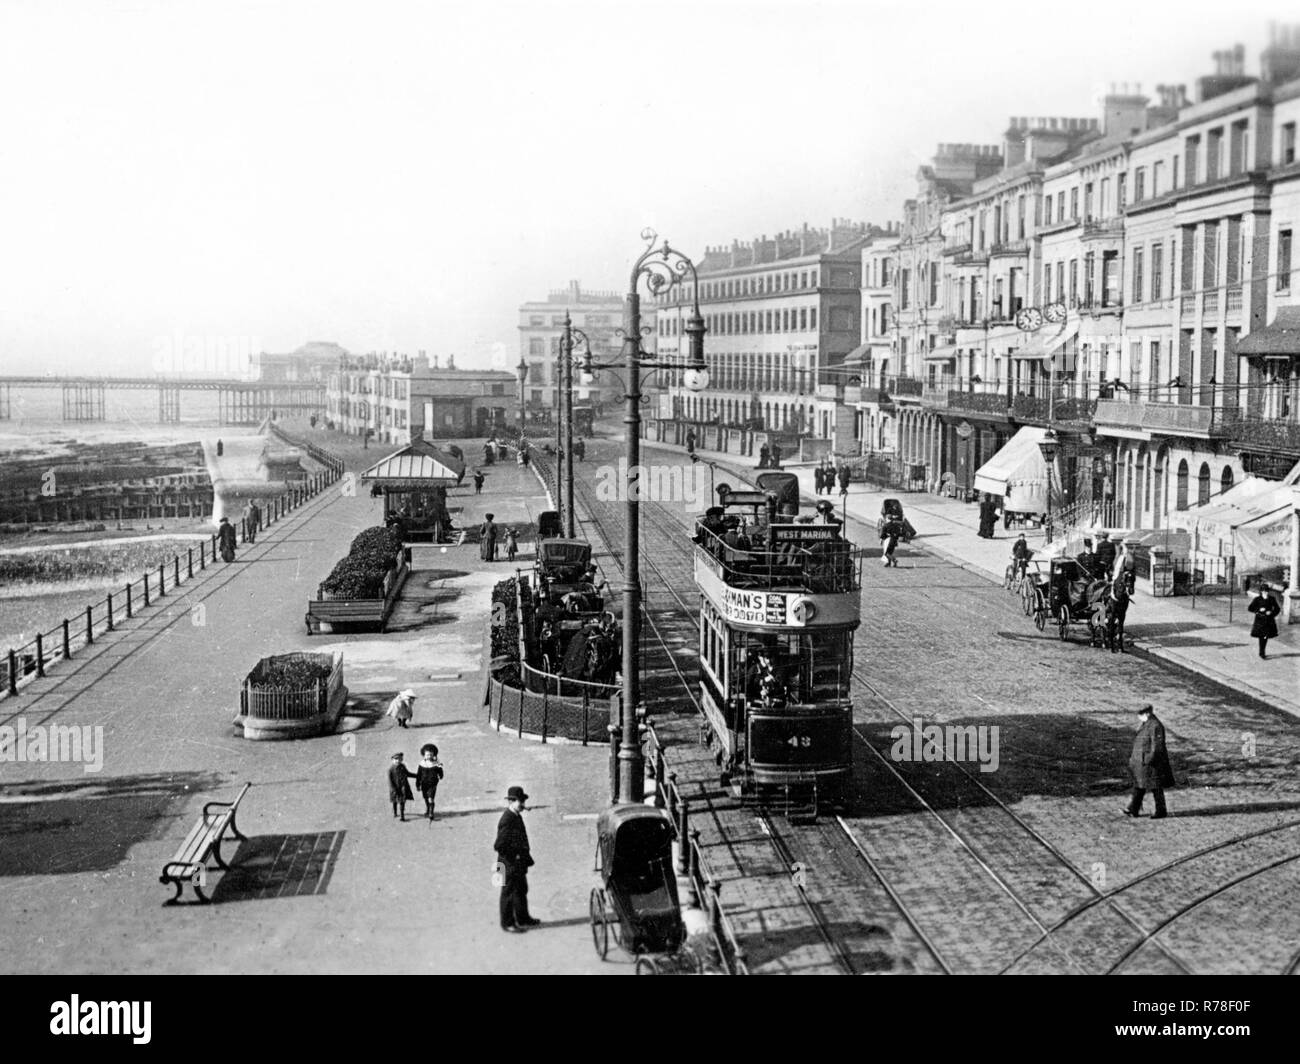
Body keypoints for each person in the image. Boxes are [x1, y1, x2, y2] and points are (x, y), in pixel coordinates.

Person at [494, 785, 539, 932]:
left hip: (515, 863)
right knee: (508, 893)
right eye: (521, 802)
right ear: (511, 801)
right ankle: (507, 923)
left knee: (520, 889)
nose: (523, 805)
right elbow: (499, 845)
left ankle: (523, 918)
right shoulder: (507, 819)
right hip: (507, 864)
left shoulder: (515, 816)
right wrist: (516, 855)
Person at [1122, 704, 1175, 820]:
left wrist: (1148, 759)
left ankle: (1160, 811)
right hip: (1143, 762)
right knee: (1140, 785)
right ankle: (1133, 809)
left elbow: (1157, 747)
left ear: (1147, 713)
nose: (1138, 717)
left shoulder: (1155, 725)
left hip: (1150, 764)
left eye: (1140, 714)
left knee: (1155, 787)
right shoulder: (1147, 724)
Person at [1247, 585, 1281, 659]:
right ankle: (1262, 652)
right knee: (1262, 637)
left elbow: (1277, 609)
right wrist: (1259, 610)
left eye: (1266, 591)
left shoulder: (1272, 599)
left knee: (1265, 637)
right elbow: (1250, 608)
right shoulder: (1257, 599)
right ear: (1261, 591)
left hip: (1269, 621)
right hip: (1260, 621)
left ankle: (1262, 652)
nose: (1265, 592)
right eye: (1263, 591)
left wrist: (1271, 613)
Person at [416, 744, 444, 821]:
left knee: (431, 798)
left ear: (434, 755)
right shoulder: (421, 764)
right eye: (427, 754)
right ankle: (428, 809)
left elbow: (440, 770)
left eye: (431, 754)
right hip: (424, 784)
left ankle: (431, 813)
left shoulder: (436, 763)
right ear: (424, 755)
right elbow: (419, 775)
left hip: (432, 783)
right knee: (425, 797)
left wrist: (441, 775)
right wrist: (417, 784)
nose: (429, 756)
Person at [388, 752, 416, 821]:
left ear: (402, 760)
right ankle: (395, 812)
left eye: (400, 759)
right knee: (394, 801)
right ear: (392, 760)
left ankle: (402, 816)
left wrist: (417, 776)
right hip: (395, 788)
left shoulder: (402, 766)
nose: (398, 761)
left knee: (402, 801)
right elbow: (390, 781)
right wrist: (394, 789)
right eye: (396, 759)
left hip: (403, 787)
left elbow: (407, 774)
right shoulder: (391, 769)